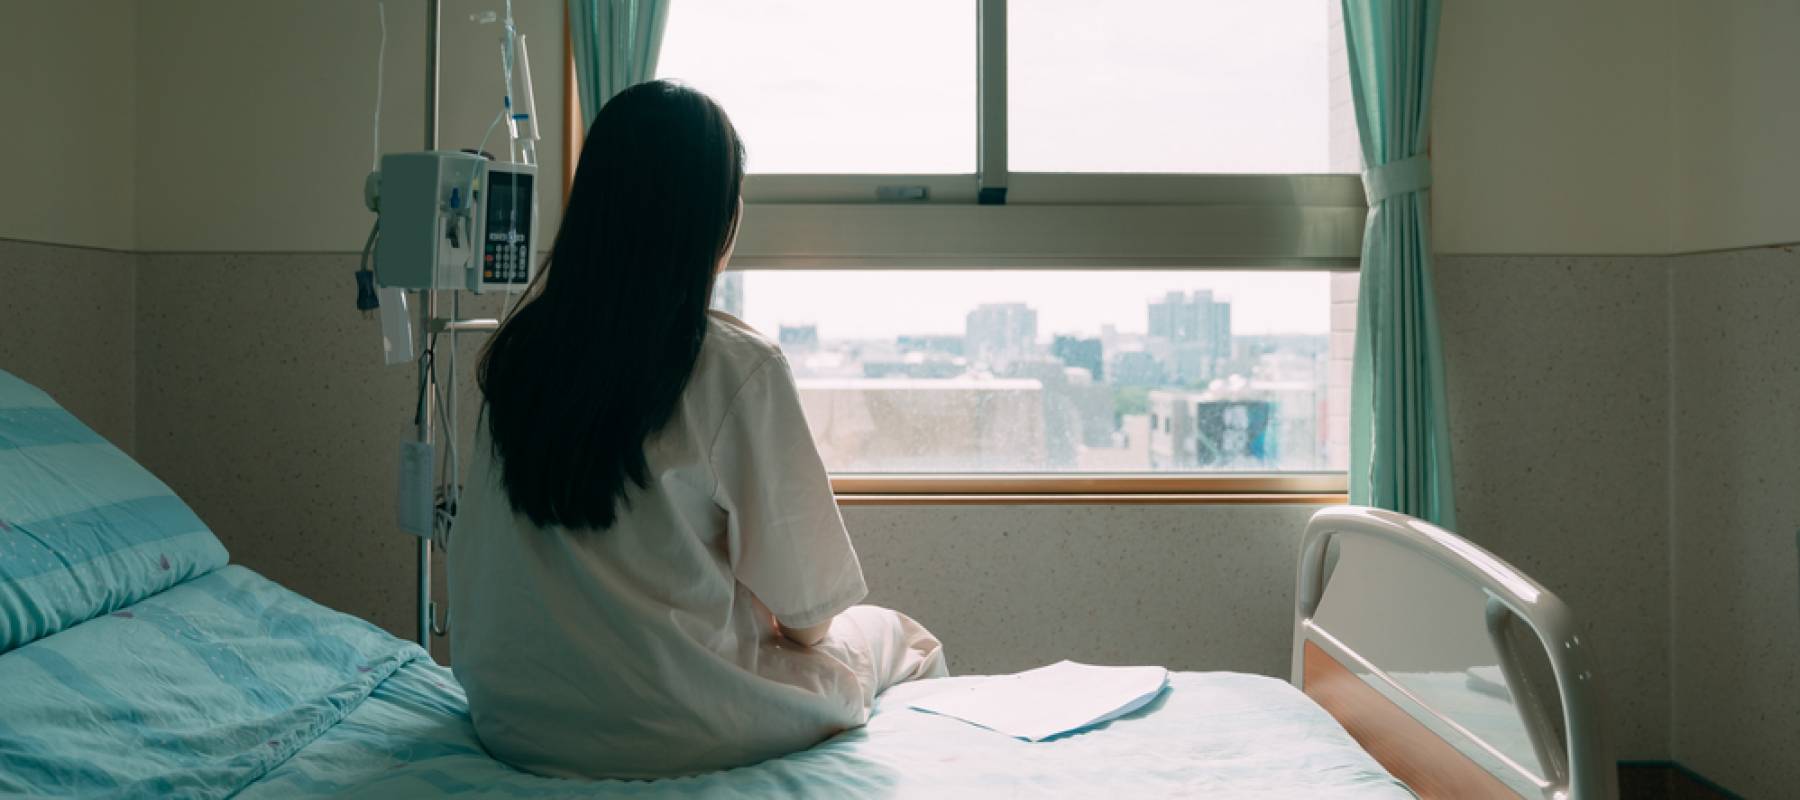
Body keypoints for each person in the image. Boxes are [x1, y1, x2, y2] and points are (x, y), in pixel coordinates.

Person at [448, 80, 947, 780]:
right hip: (674, 726)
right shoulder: (734, 367)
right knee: (904, 640)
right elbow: (808, 618)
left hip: (514, 718)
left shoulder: (518, 357)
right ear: (717, 221)